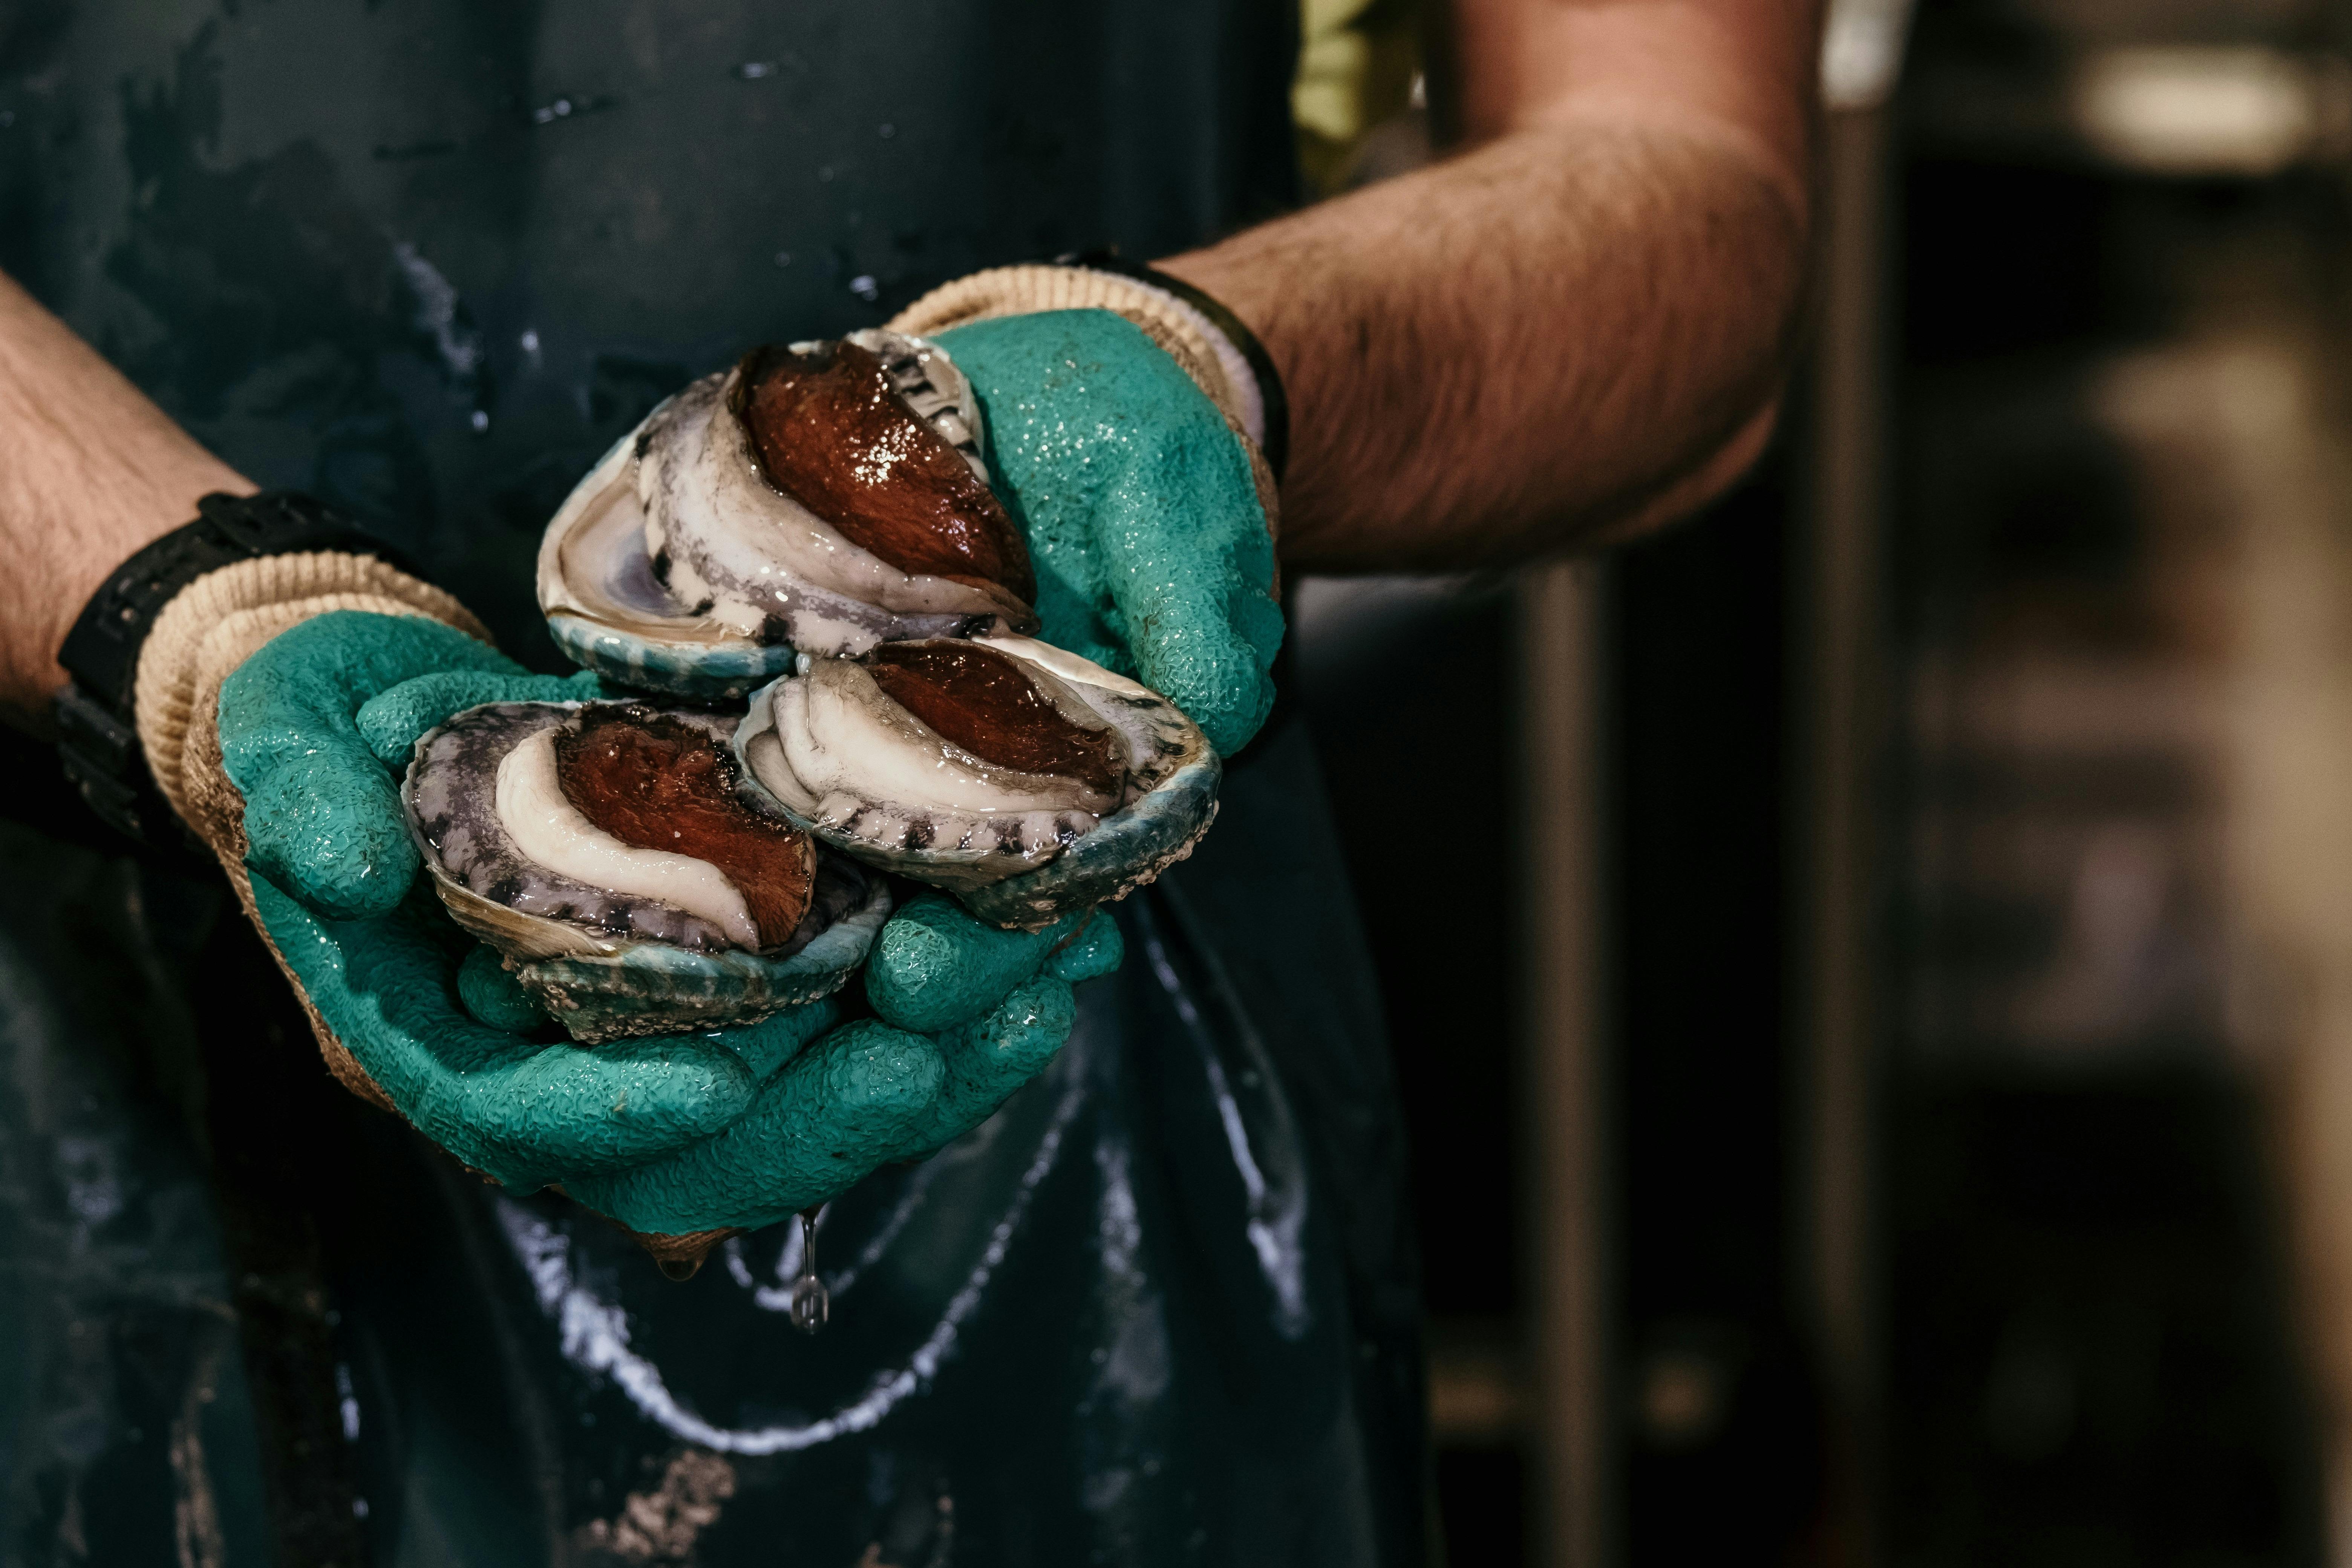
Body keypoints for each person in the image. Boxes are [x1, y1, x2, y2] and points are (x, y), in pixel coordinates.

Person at [0, 0, 1816, 1560]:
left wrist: (1211, 372)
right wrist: (165, 610)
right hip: (86, 1124)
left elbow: (1679, 183)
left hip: (1106, 1122)